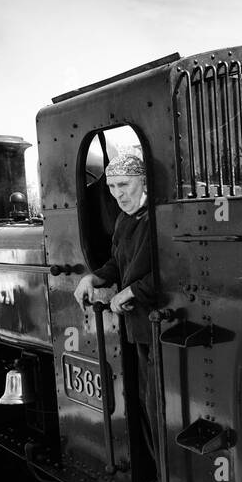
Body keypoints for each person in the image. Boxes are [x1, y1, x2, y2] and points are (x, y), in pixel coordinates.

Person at [73, 150, 159, 465]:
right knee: (142, 401)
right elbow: (116, 261)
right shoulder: (125, 219)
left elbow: (174, 271)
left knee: (156, 404)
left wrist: (134, 290)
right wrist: (94, 278)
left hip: (158, 327)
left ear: (144, 181)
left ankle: (167, 477)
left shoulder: (158, 219)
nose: (117, 194)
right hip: (137, 327)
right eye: (111, 187)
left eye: (124, 184)